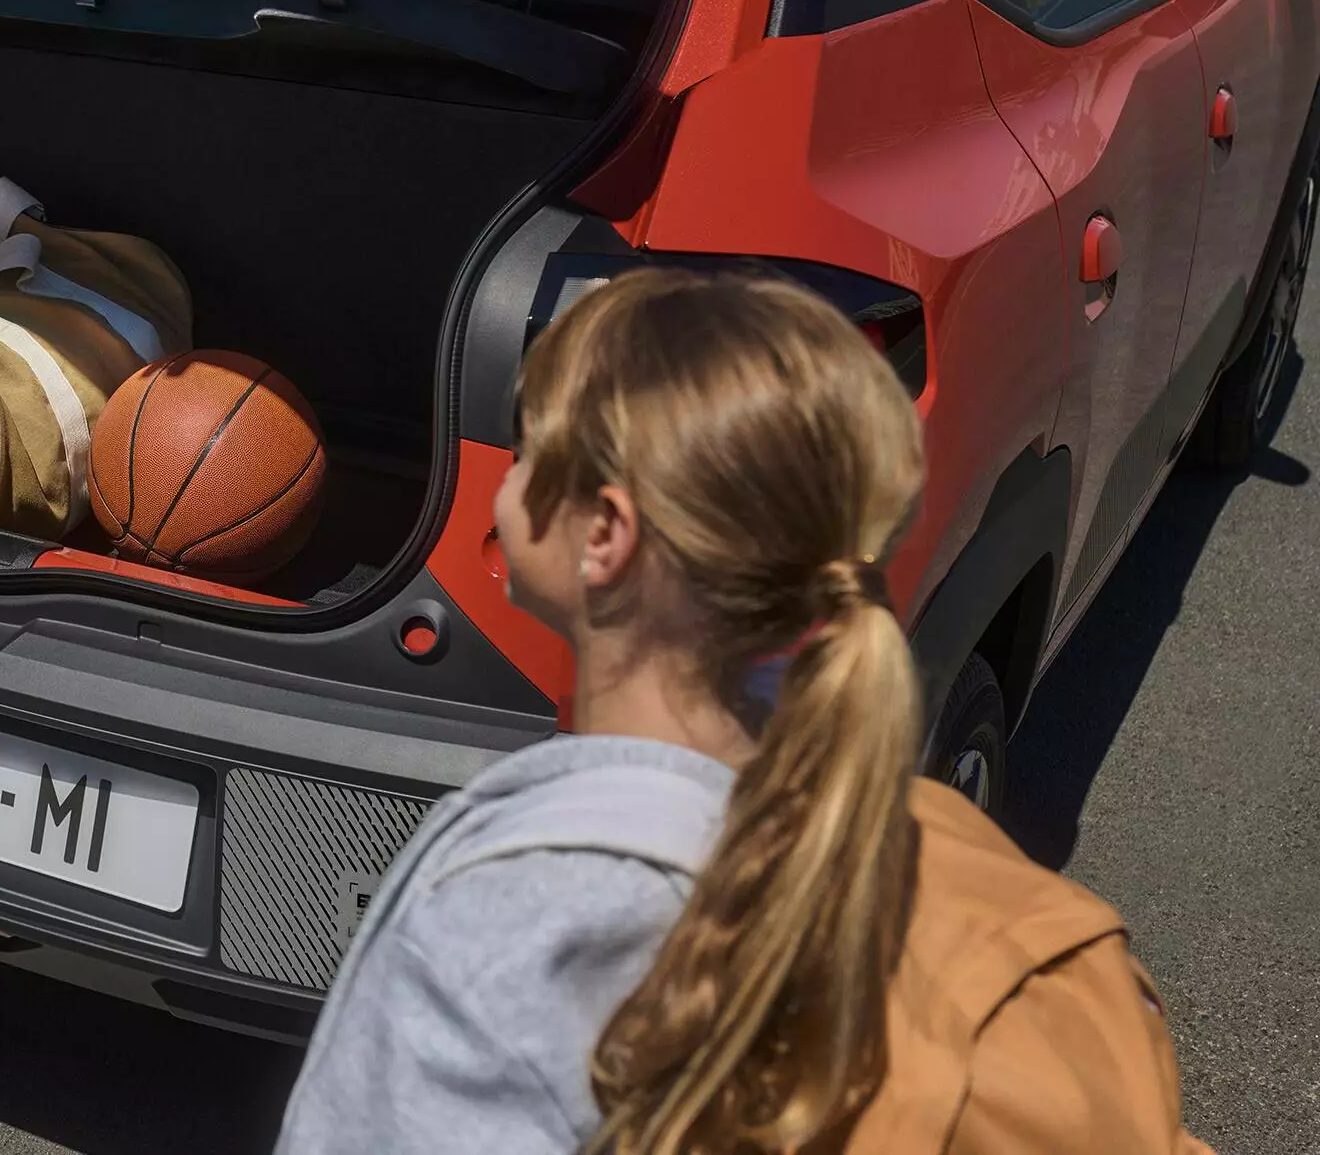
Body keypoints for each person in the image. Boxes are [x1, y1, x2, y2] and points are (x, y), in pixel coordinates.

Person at [274, 268, 1207, 1155]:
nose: (504, 479)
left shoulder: (518, 904)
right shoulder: (907, 837)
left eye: (526, 449)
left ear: (604, 534)